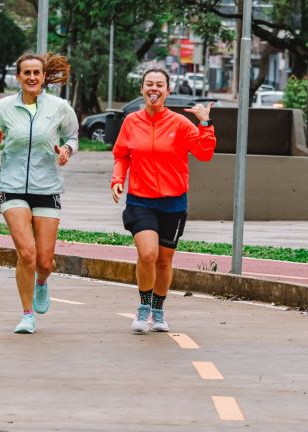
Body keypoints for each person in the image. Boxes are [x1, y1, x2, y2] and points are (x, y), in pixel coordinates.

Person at [111, 68, 216, 333]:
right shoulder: (132, 122)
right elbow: (122, 155)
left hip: (173, 202)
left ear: (168, 90)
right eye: (149, 84)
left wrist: (205, 123)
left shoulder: (180, 123)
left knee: (164, 260)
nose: (154, 88)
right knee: (148, 254)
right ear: (142, 89)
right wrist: (117, 179)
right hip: (140, 200)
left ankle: (158, 310)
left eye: (159, 84)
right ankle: (144, 306)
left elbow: (204, 154)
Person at [0, 53, 78, 334]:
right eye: (27, 73)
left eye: (37, 72)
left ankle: (41, 282)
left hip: (47, 188)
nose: (32, 77)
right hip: (12, 187)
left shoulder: (59, 108)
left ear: (44, 76)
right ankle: (27, 315)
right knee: (26, 254)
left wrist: (66, 151)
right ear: (19, 77)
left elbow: (72, 136)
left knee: (44, 262)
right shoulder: (2, 108)